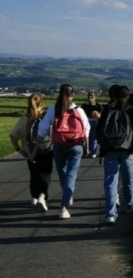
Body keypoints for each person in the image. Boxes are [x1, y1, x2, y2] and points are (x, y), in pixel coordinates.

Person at [29, 84, 90, 219]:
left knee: (63, 174)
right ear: (72, 95)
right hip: (76, 146)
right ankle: (63, 206)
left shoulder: (52, 110)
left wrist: (34, 150)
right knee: (71, 176)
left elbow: (42, 130)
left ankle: (67, 197)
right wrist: (87, 147)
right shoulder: (79, 110)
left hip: (58, 146)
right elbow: (86, 129)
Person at [97, 85, 133, 225]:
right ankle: (130, 205)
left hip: (109, 150)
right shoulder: (132, 111)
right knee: (128, 179)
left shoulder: (107, 110)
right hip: (128, 150)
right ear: (127, 96)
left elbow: (99, 131)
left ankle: (110, 214)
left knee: (110, 182)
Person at [9, 94, 54, 211]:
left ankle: (34, 196)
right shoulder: (46, 117)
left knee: (34, 174)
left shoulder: (24, 118)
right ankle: (41, 196)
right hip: (46, 150)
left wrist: (19, 149)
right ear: (42, 104)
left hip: (29, 152)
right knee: (45, 174)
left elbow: (12, 135)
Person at [81, 91, 102, 158]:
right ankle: (92, 152)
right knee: (93, 137)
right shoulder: (98, 105)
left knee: (88, 137)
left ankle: (88, 151)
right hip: (93, 121)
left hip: (88, 121)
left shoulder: (84, 105)